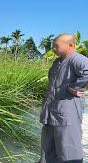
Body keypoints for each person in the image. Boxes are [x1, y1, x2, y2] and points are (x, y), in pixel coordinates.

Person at [39, 33, 88, 162]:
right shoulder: (57, 61)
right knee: (47, 150)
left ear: (70, 45)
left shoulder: (77, 59)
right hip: (50, 113)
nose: (53, 49)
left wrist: (76, 88)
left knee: (68, 149)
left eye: (56, 46)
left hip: (66, 113)